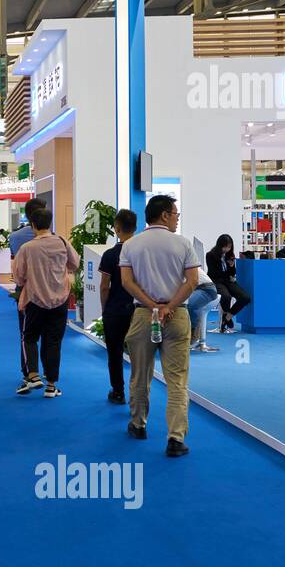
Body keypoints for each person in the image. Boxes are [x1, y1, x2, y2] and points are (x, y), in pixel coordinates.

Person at [120, 194, 199, 458]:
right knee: (177, 380)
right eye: (175, 214)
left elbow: (127, 283)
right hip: (176, 316)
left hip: (144, 314)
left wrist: (153, 305)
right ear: (164, 215)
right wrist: (169, 306)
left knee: (140, 374)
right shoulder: (183, 244)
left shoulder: (131, 245)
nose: (177, 219)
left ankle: (138, 424)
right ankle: (176, 438)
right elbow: (191, 282)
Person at [12, 206, 79, 399]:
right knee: (53, 342)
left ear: (32, 225)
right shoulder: (62, 242)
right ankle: (51, 385)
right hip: (60, 300)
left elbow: (19, 277)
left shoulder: (27, 248)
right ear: (50, 223)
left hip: (35, 300)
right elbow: (74, 264)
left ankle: (33, 374)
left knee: (30, 337)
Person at [98, 208, 137, 405]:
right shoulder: (141, 252)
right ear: (136, 228)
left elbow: (105, 286)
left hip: (115, 309)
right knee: (140, 353)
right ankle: (137, 393)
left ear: (116, 228)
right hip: (139, 308)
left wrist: (104, 308)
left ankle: (118, 391)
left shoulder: (110, 254)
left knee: (114, 352)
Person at [8, 198, 47, 382]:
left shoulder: (15, 237)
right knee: (48, 335)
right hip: (50, 289)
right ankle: (49, 374)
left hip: (25, 289)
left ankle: (29, 372)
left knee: (26, 333)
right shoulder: (55, 238)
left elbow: (15, 264)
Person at [206, 234, 250, 333]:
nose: (227, 249)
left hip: (228, 281)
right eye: (225, 246)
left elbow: (232, 273)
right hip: (216, 281)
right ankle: (226, 317)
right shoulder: (210, 255)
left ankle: (228, 316)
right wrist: (227, 273)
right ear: (220, 245)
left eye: (229, 247)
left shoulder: (230, 255)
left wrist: (231, 266)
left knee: (245, 298)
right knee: (226, 296)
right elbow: (213, 272)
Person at [186, 268, 222, 353]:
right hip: (196, 289)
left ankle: (194, 333)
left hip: (206, 289)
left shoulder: (184, 262)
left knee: (189, 305)